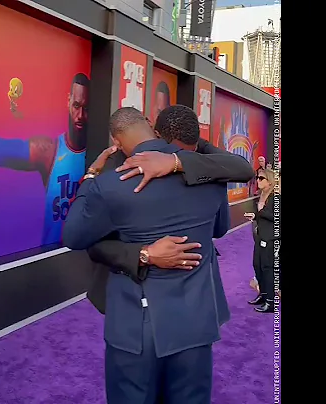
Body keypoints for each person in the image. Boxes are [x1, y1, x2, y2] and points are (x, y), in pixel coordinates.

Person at [63, 107, 229, 404]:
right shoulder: (209, 173)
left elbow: (74, 236)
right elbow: (220, 228)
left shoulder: (110, 184)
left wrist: (90, 176)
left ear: (116, 141)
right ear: (151, 126)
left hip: (135, 324)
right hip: (196, 319)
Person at [83, 105, 254, 315]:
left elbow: (243, 170)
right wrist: (145, 254)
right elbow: (93, 239)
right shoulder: (120, 165)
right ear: (156, 136)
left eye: (187, 153)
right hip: (130, 290)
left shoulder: (197, 159)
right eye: (176, 151)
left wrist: (177, 162)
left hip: (190, 292)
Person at [0, 73, 90, 246]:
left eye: (86, 109)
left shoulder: (102, 155)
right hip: (52, 258)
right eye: (76, 105)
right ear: (68, 101)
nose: (80, 115)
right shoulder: (50, 150)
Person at [244, 166, 281, 313]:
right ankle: (263, 295)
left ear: (269, 181)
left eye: (261, 178)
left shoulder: (276, 198)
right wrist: (255, 216)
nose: (257, 181)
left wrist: (260, 212)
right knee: (257, 265)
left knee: (267, 268)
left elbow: (277, 218)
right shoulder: (262, 196)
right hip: (260, 237)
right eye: (257, 178)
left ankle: (271, 303)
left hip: (271, 238)